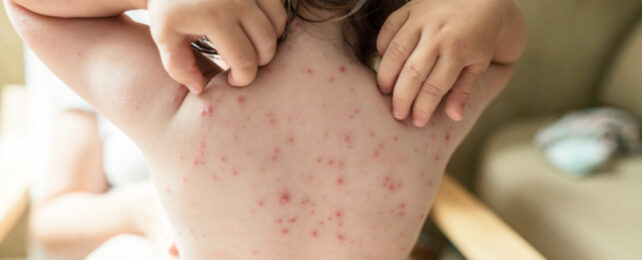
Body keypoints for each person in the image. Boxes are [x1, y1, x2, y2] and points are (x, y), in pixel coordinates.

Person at [5, 0, 526, 259]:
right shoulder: (423, 108)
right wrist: (491, 11)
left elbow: (27, 7)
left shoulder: (185, 106)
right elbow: (503, 58)